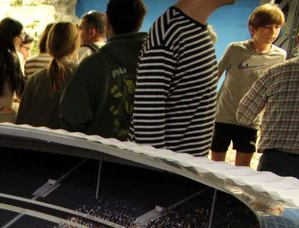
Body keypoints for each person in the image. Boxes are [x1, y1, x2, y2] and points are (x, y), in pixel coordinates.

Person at [132, 0, 237, 157]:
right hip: (166, 175)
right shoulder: (170, 32)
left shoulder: (197, 32)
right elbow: (147, 126)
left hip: (183, 171)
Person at [210, 3, 286, 167]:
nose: (272, 32)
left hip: (251, 121)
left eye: (277, 27)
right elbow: (214, 76)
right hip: (223, 117)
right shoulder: (235, 49)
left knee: (241, 171)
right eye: (267, 27)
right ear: (253, 29)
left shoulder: (280, 56)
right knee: (214, 168)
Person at [60, 0, 148, 140]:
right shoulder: (155, 62)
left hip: (98, 157)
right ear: (140, 21)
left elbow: (72, 120)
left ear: (108, 20)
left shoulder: (92, 66)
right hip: (146, 157)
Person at [237, 33, 299, 179]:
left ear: (297, 39)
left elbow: (244, 115)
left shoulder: (276, 72)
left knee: (264, 202)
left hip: (275, 162)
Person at [17, 22, 80, 129]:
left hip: (38, 143)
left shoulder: (34, 80)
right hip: (70, 144)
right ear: (75, 45)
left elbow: (22, 123)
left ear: (48, 44)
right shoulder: (81, 77)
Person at [0, 18, 27, 122]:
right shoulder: (12, 57)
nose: (22, 40)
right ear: (11, 37)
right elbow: (21, 92)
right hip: (5, 115)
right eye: (20, 35)